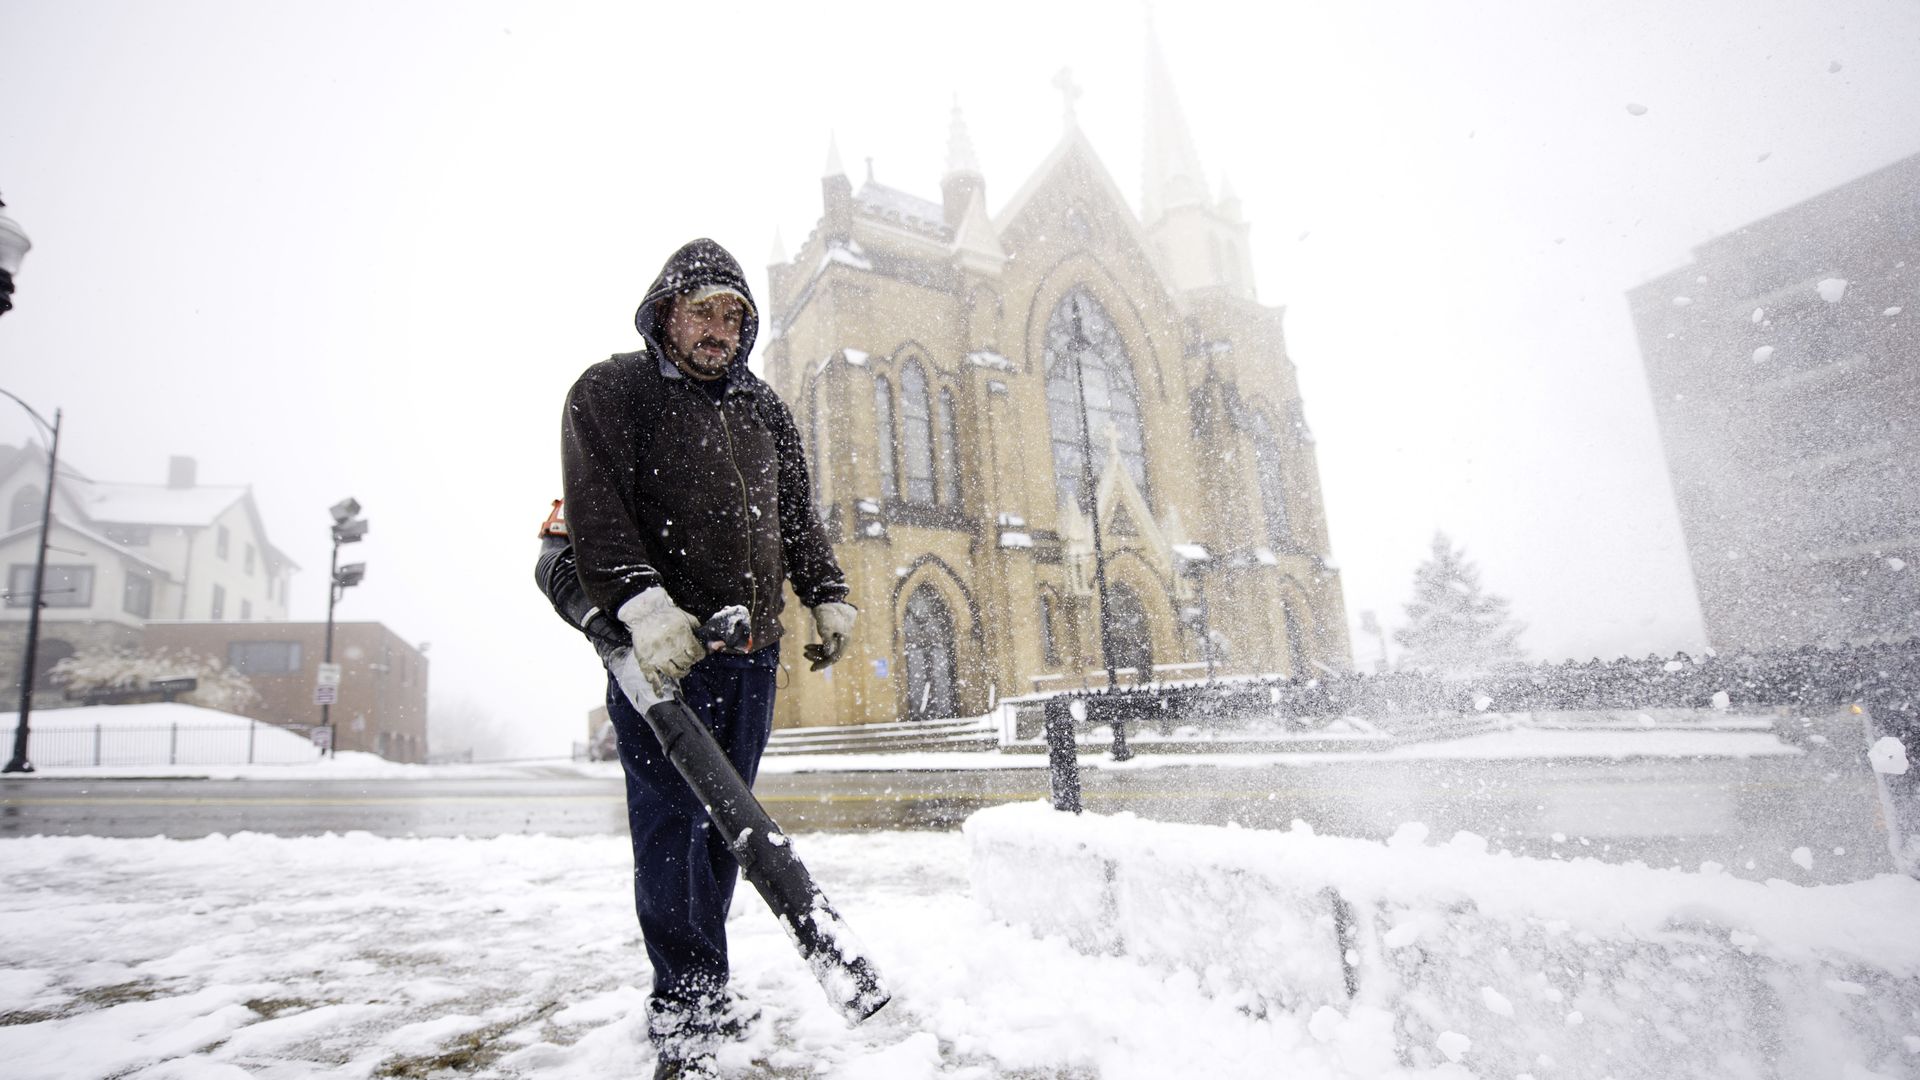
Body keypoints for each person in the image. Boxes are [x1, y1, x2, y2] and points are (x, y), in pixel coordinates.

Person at [560, 237, 856, 1079]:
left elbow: (796, 517)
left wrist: (825, 590)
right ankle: (685, 1004)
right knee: (668, 829)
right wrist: (642, 605)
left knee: (728, 831)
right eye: (703, 310)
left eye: (734, 314)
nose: (719, 328)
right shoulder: (610, 392)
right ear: (667, 312)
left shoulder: (764, 408)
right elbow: (594, 512)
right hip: (664, 662)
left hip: (752, 657)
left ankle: (706, 980)